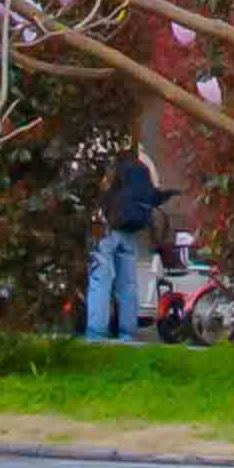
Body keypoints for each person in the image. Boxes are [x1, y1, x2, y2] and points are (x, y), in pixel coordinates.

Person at [86, 140, 164, 342]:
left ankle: (96, 332)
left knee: (100, 280)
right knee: (128, 283)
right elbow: (154, 193)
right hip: (131, 229)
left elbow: (95, 191)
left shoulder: (105, 157)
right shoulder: (145, 162)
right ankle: (127, 332)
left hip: (105, 228)